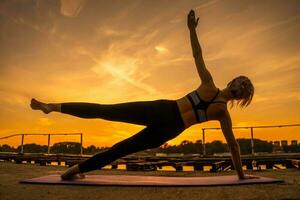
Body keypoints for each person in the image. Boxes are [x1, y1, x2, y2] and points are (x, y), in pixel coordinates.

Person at [30, 9, 255, 180]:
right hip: (164, 110)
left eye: (245, 86)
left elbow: (233, 145)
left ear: (242, 97)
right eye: (241, 80)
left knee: (121, 148)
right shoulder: (208, 84)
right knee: (105, 111)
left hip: (169, 127)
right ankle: (52, 106)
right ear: (233, 80)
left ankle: (73, 171)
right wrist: (192, 30)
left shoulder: (223, 112)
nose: (241, 84)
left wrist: (241, 175)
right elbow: (197, 55)